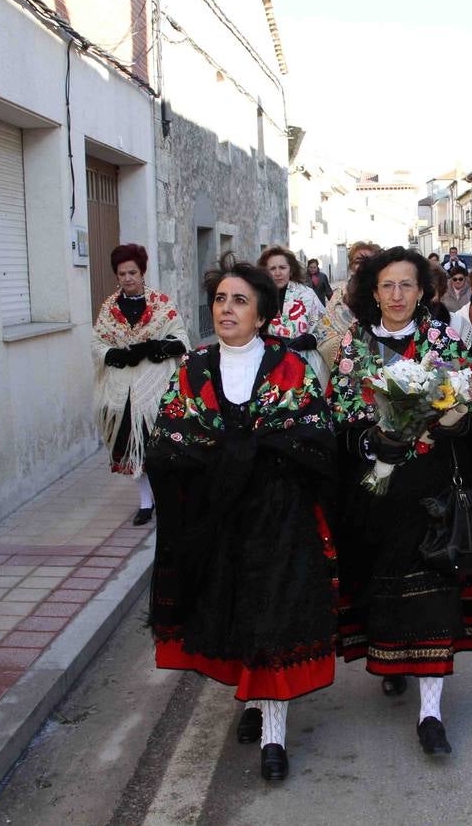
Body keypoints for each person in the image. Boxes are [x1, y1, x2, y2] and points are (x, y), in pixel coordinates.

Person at [146, 257, 336, 782]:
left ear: (262, 315)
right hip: (218, 518)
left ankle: (275, 738)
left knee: (273, 618)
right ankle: (253, 704)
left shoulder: (289, 367)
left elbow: (315, 435)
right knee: (238, 615)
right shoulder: (193, 368)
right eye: (221, 300)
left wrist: (262, 451)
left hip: (278, 514)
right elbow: (169, 441)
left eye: (239, 301)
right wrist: (217, 457)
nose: (227, 309)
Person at [330, 247, 472, 756]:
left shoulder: (445, 342)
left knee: (434, 596)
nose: (397, 295)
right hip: (374, 495)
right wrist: (367, 440)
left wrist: (461, 419)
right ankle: (392, 662)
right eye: (387, 286)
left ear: (423, 290)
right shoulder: (352, 347)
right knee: (382, 589)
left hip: (432, 492)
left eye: (407, 285)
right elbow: (336, 413)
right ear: (373, 292)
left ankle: (431, 713)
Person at [91, 244, 191, 525]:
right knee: (134, 448)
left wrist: (157, 347)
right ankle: (146, 503)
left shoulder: (161, 304)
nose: (127, 278)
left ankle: (166, 498)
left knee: (159, 447)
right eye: (122, 273)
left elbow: (181, 338)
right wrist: (114, 354)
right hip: (123, 393)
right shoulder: (109, 308)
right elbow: (98, 341)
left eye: (132, 272)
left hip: (155, 388)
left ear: (142, 272)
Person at [258, 246, 329, 386]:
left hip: (306, 363)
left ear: (291, 270)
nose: (278, 273)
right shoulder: (258, 297)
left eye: (282, 267)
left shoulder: (307, 294)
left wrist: (311, 339)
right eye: (272, 269)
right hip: (269, 363)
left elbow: (326, 326)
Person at [319, 241, 380, 366]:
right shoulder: (340, 294)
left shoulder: (385, 292)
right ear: (351, 266)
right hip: (342, 360)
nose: (364, 264)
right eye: (358, 260)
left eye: (369, 260)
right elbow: (325, 329)